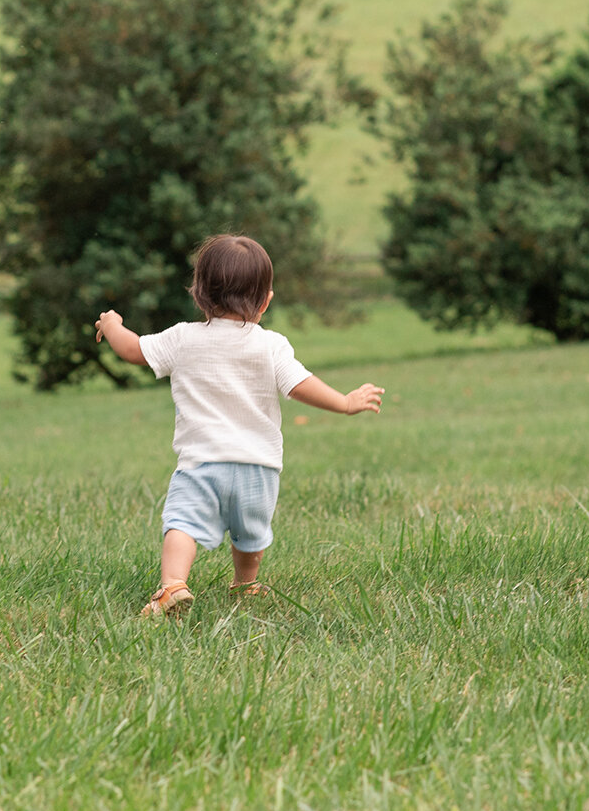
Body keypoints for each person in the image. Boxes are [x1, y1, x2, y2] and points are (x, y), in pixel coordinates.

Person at [95, 234, 384, 618]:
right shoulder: (272, 345)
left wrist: (112, 324)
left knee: (182, 524)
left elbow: (132, 350)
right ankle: (245, 584)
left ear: (198, 295)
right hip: (258, 468)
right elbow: (300, 386)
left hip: (202, 465)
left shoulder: (183, 338)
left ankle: (173, 585)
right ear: (265, 301)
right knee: (251, 535)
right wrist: (345, 402)